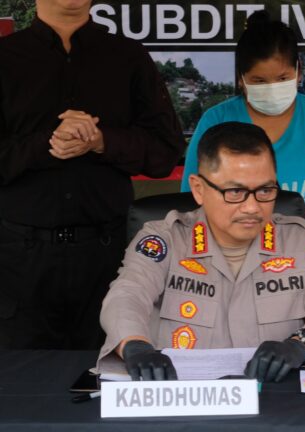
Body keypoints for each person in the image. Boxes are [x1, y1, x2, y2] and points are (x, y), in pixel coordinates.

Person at [98, 122, 305, 382]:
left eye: (265, 190)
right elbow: (127, 295)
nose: (252, 207)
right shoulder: (164, 240)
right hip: (182, 401)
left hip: (276, 401)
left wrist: (299, 346)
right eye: (235, 192)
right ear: (199, 189)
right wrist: (135, 346)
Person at [0, 0, 184, 349]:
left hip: (109, 257)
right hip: (17, 264)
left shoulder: (128, 57)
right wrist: (46, 143)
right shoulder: (6, 57)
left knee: (109, 377)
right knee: (18, 387)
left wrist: (102, 141)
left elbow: (165, 152)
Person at [181, 11, 305, 280]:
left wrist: (298, 250)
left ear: (299, 71)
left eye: (282, 78)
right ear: (240, 79)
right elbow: (194, 198)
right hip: (234, 269)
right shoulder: (216, 120)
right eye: (259, 81)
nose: (272, 88)